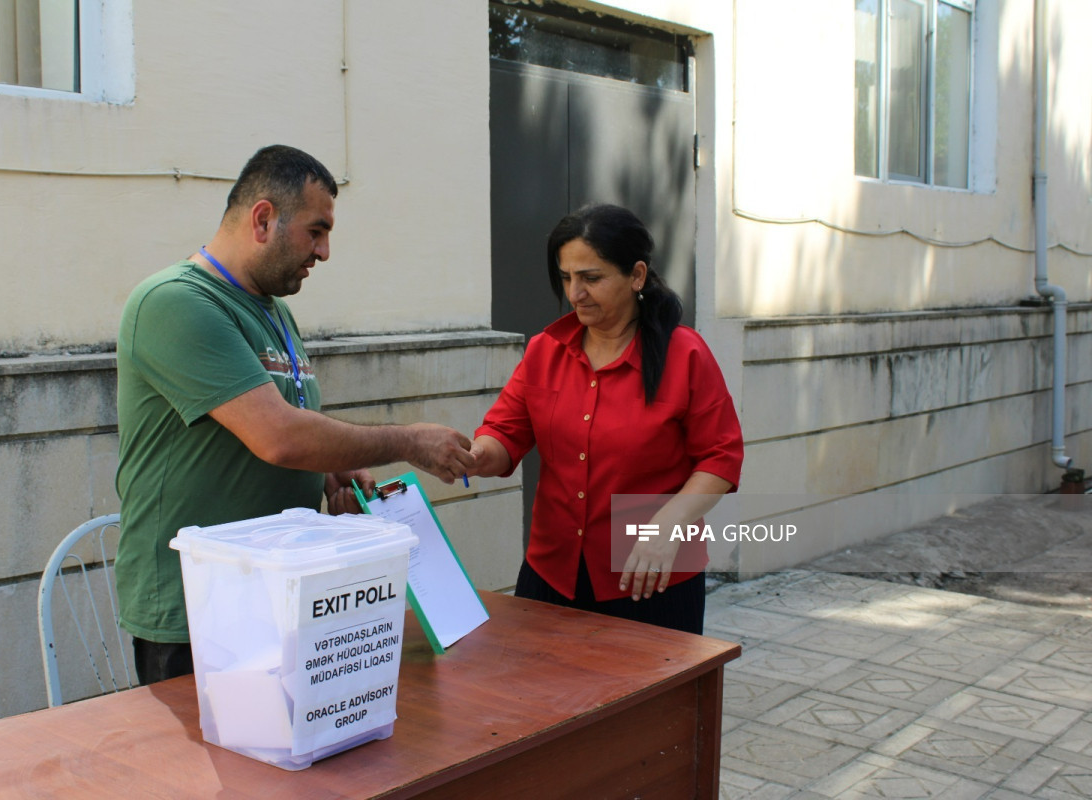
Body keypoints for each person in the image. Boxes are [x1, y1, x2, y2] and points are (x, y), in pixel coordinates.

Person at [115, 145, 474, 684]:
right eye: (316, 230)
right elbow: (277, 436)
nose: (325, 252)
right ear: (263, 219)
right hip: (198, 612)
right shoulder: (176, 303)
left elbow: (281, 426)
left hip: (280, 594)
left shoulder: (275, 310)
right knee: (216, 769)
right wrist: (407, 441)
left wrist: (328, 467)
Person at [468, 204, 743, 634]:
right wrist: (472, 455)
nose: (575, 293)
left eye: (591, 278)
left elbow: (720, 457)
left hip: (652, 574)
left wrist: (668, 526)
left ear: (636, 276)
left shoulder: (684, 354)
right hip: (553, 571)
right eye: (566, 278)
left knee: (652, 702)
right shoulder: (546, 350)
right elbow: (504, 434)